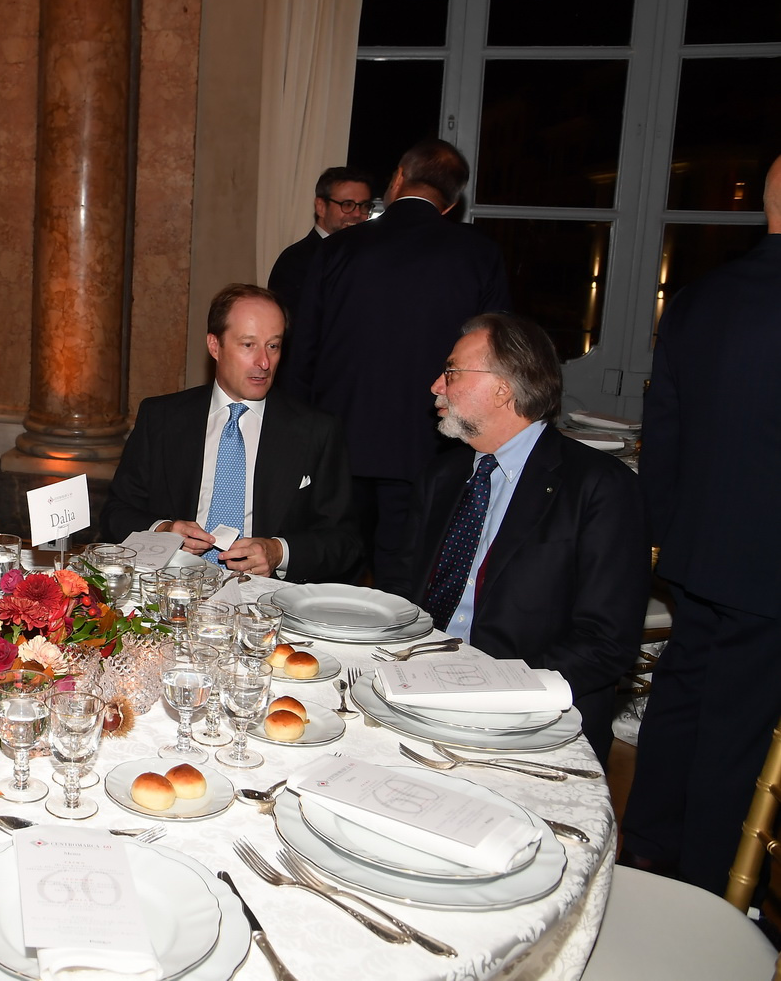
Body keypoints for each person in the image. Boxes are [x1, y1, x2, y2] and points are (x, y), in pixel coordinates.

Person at [621, 155, 781, 892]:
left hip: (698, 548)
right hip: (767, 563)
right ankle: (713, 886)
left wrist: (663, 531)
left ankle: (648, 847)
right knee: (736, 726)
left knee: (684, 694)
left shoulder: (700, 297)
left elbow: (665, 429)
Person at [386, 312, 648, 762]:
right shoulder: (443, 475)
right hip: (418, 691)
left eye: (451, 372)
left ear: (503, 389)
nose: (436, 386)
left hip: (530, 719)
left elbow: (605, 643)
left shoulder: (599, 488)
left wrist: (491, 692)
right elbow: (402, 589)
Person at [286, 139, 512, 589]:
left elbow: (302, 352)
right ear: (451, 203)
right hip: (430, 445)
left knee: (330, 569)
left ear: (398, 179)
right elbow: (497, 358)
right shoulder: (479, 254)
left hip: (339, 441)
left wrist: (294, 439)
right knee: (406, 577)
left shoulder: (339, 249)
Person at [101, 284, 361, 582]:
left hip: (266, 599)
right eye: (248, 345)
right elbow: (116, 514)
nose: (264, 362)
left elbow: (345, 542)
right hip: (171, 589)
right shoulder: (162, 418)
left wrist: (278, 551)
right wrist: (164, 531)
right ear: (215, 346)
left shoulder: (315, 430)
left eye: (273, 346)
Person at [266, 166, 374, 326]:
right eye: (347, 204)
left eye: (364, 205)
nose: (358, 214)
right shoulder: (295, 261)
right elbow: (293, 327)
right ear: (321, 207)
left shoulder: (368, 257)